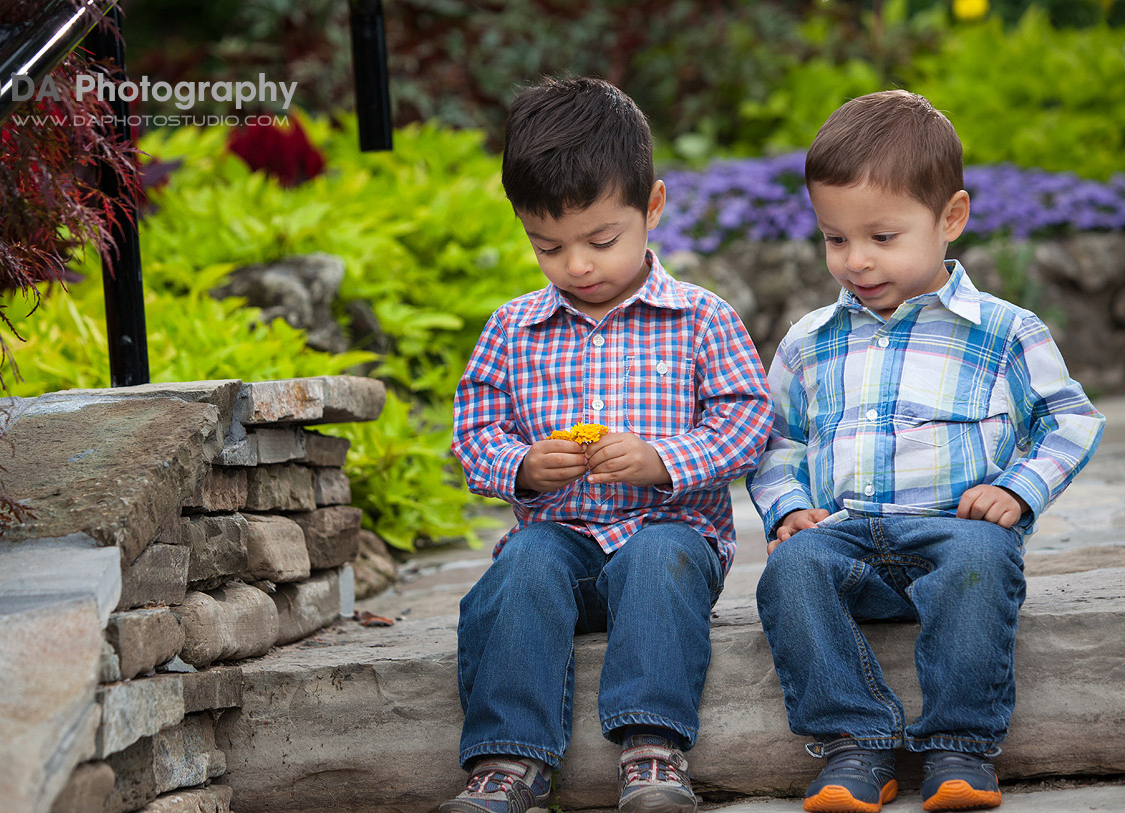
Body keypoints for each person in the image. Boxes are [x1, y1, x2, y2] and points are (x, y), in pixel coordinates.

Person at [747, 89, 1106, 813]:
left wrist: (1019, 488)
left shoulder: (1004, 331)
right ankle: (857, 744)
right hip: (847, 539)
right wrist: (788, 508)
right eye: (835, 238)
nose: (856, 260)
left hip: (956, 539)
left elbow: (1070, 418)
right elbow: (776, 438)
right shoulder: (810, 340)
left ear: (951, 218)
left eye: (882, 237)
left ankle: (959, 746)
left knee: (982, 556)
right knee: (789, 570)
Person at [444, 76, 773, 813]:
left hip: (671, 536)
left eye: (600, 239)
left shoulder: (699, 318)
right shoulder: (512, 329)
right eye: (548, 247)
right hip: (560, 540)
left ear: (651, 206)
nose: (578, 265)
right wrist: (523, 466)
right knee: (520, 565)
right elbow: (474, 435)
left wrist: (665, 460)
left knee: (657, 556)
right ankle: (506, 759)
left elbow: (749, 420)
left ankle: (652, 749)